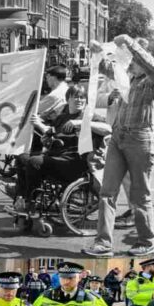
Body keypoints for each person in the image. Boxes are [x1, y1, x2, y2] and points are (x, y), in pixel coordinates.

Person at [83, 35, 154, 257]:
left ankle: (147, 241)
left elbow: (152, 65)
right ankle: (103, 243)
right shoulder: (126, 79)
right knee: (106, 192)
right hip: (118, 137)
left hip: (140, 139)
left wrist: (131, 43)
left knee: (140, 195)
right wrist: (96, 51)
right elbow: (104, 67)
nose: (129, 63)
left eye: (133, 59)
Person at [14, 84, 111, 212]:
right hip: (56, 157)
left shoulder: (90, 116)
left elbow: (108, 129)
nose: (79, 100)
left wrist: (80, 123)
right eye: (75, 97)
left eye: (82, 97)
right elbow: (52, 135)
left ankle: (31, 202)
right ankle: (20, 197)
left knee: (34, 162)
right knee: (21, 157)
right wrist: (46, 138)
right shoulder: (61, 118)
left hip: (74, 163)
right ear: (68, 99)